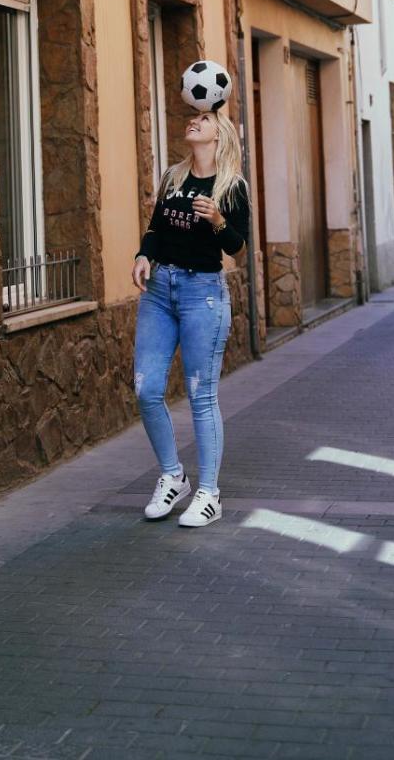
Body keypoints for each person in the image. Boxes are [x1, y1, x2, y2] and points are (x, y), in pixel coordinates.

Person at [131, 108, 249, 528]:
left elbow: (238, 249)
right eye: (193, 116)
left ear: (220, 134)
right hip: (160, 292)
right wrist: (143, 256)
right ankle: (173, 476)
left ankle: (210, 494)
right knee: (146, 388)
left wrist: (217, 220)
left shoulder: (232, 186)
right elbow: (155, 230)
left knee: (202, 394)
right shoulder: (173, 177)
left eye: (204, 118)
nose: (194, 121)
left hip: (203, 295)